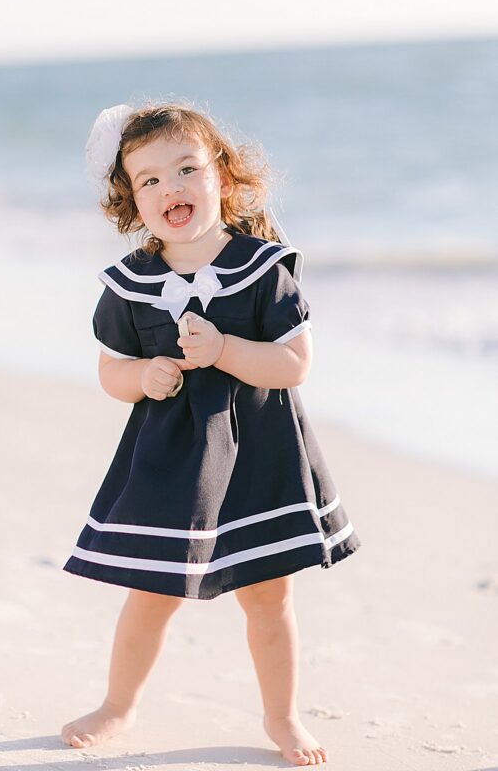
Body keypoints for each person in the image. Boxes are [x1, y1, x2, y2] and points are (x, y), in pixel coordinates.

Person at [61, 102, 361, 766]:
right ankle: (119, 704)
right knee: (152, 592)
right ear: (130, 200)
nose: (170, 188)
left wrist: (224, 347)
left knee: (267, 596)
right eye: (148, 180)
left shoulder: (261, 268)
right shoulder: (131, 285)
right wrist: (146, 376)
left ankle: (282, 718)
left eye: (185, 169)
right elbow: (111, 371)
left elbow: (292, 366)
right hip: (176, 462)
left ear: (221, 177)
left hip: (258, 456)